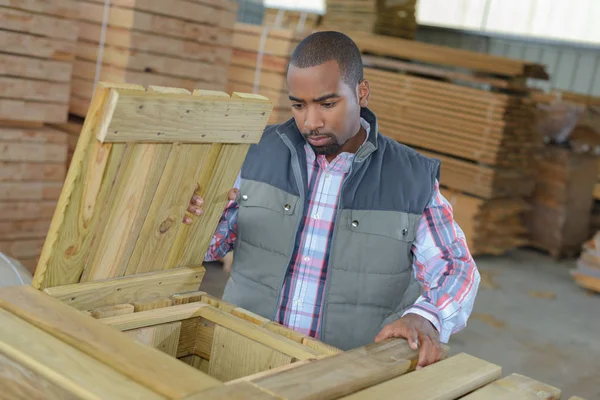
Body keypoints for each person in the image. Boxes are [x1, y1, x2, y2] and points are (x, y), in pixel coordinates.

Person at [184, 31, 480, 369]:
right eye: (299, 105)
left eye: (327, 104)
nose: (311, 122)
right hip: (240, 360)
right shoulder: (254, 154)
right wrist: (196, 218)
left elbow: (456, 267)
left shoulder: (411, 179)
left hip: (342, 375)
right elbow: (209, 248)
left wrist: (426, 317)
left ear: (361, 93)